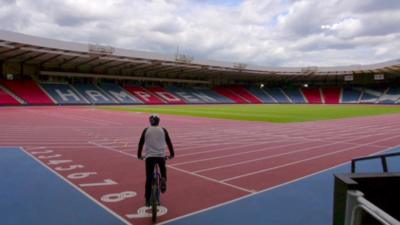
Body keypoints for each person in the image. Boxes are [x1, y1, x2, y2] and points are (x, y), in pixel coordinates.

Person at [137, 114, 175, 207]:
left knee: (149, 179)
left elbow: (141, 143)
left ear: (151, 121)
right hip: (161, 157)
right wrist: (172, 154)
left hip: (149, 157)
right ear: (159, 121)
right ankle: (163, 179)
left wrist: (139, 155)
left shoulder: (146, 130)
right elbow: (169, 142)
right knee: (163, 170)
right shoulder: (163, 130)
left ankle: (147, 200)